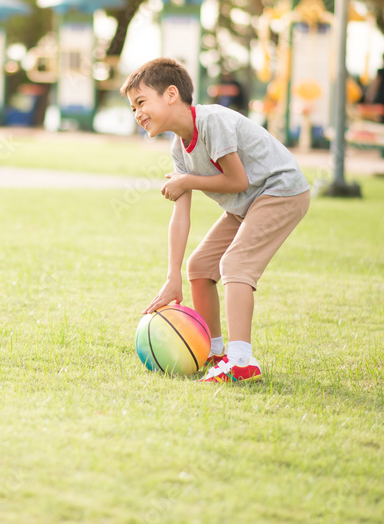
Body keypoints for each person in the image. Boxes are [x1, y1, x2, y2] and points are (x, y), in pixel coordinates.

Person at [121, 58, 311, 383]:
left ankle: (241, 362)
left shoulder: (212, 122)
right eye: (133, 108)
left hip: (280, 190)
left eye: (141, 102)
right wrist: (172, 276)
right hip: (247, 203)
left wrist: (187, 180)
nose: (137, 113)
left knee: (235, 264)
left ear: (171, 94)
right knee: (200, 266)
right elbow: (180, 216)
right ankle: (215, 352)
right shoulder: (179, 149)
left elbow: (237, 180)